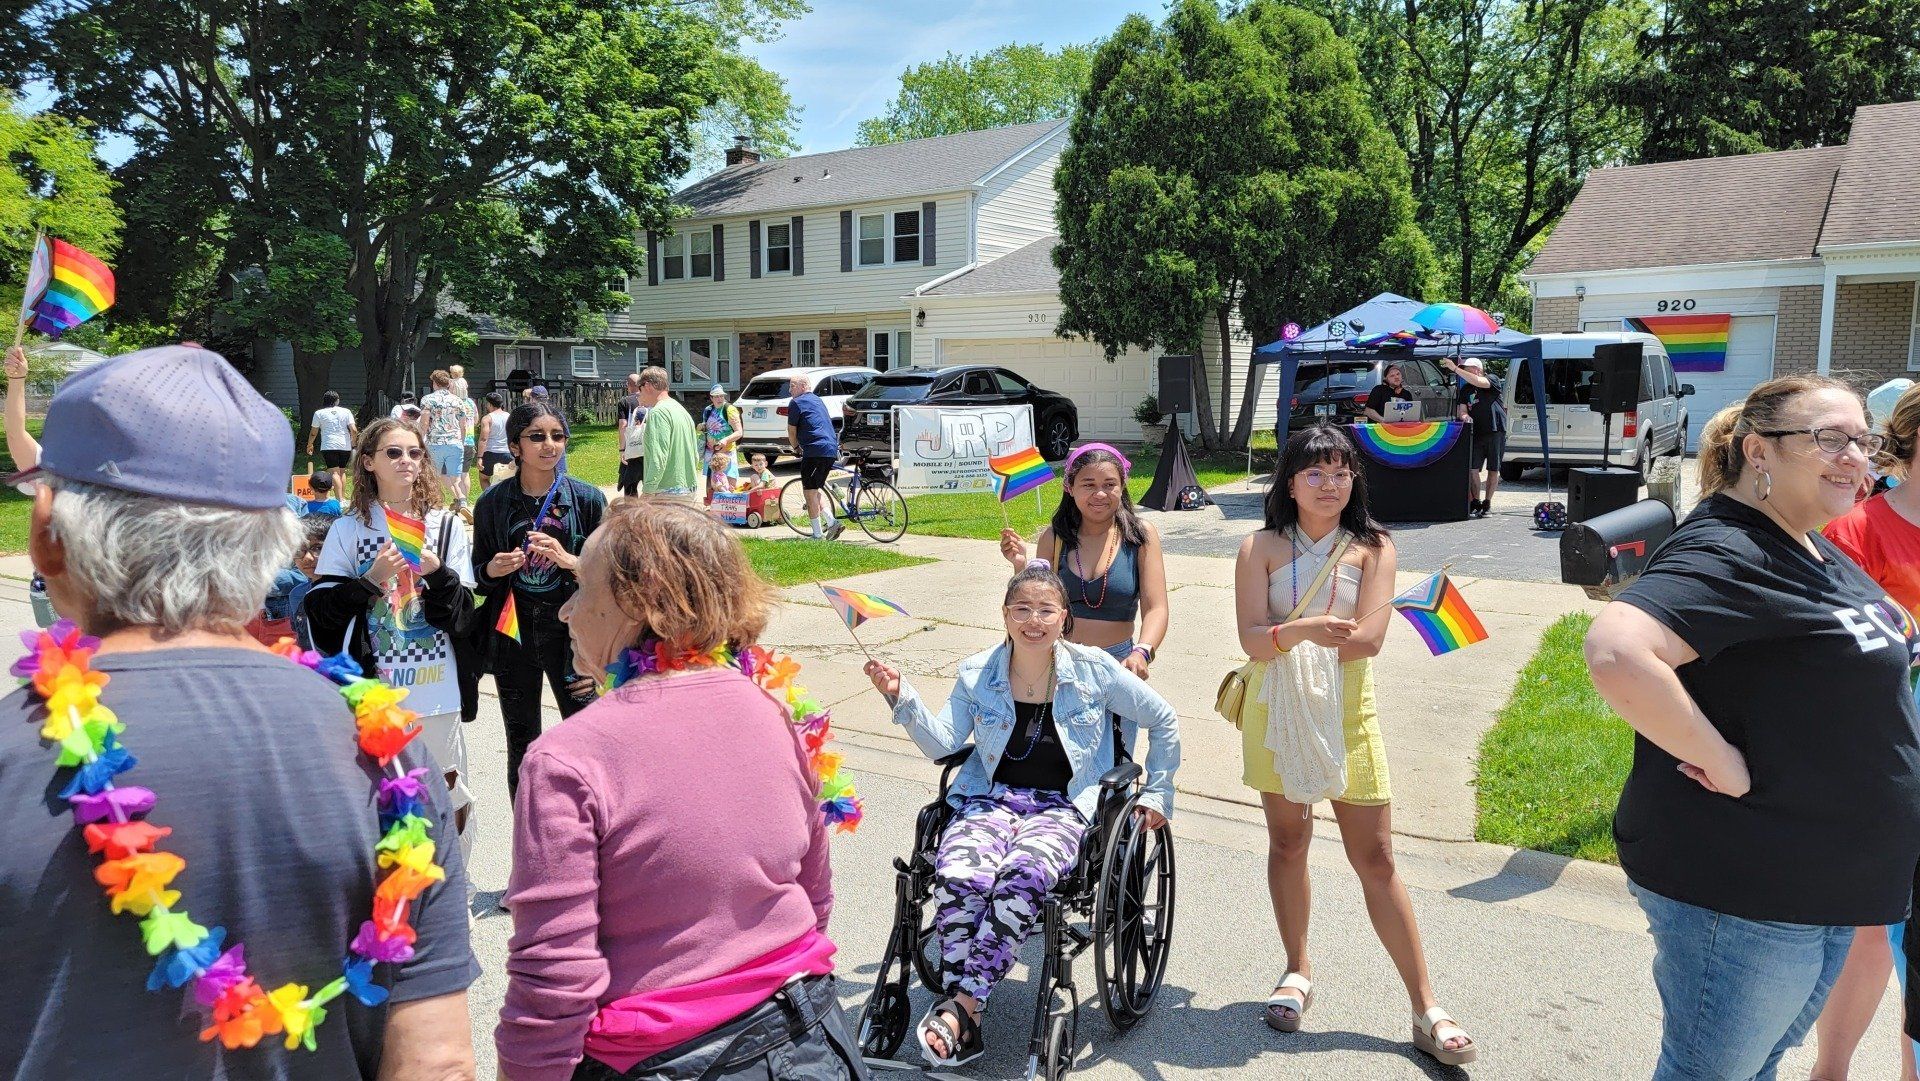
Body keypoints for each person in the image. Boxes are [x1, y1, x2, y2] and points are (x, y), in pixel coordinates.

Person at [0, 344, 477, 1078]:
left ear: (46, 537)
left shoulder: (9, 754)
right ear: (271, 548)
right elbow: (436, 1063)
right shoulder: (389, 759)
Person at [1585, 374, 1920, 1081]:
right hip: (1745, 893)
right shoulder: (1730, 549)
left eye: (1863, 440)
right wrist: (1722, 760)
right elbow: (1617, 651)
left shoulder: (1806, 542)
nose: (1854, 458)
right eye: (1830, 439)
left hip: (1821, 882)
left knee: (1756, 1066)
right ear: (1758, 451)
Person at [496, 500, 868, 1081]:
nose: (566, 610)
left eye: (581, 585)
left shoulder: (567, 757)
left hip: (662, 1058)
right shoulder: (774, 709)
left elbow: (555, 979)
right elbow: (814, 896)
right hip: (809, 1038)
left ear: (642, 602)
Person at [862, 564, 1180, 1066]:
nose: (1034, 620)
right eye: (1021, 610)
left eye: (1046, 610)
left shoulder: (1096, 669)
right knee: (959, 874)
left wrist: (1157, 794)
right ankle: (969, 1015)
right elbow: (944, 743)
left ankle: (961, 1006)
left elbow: (1162, 718)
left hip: (1064, 807)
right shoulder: (977, 673)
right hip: (990, 800)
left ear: (1063, 617)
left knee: (1023, 876)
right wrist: (902, 697)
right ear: (1005, 616)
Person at [1231, 423, 1476, 1066]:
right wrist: (1307, 626)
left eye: (1341, 471)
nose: (1329, 482)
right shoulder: (1257, 546)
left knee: (1376, 859)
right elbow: (1250, 641)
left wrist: (1286, 634)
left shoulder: (1372, 547)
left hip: (1347, 712)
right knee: (1288, 842)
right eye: (1314, 471)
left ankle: (1426, 1006)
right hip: (1275, 711)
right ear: (1289, 482)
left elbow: (1367, 642)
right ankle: (1297, 970)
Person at [1809, 379, 1920, 1081]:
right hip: (1884, 758)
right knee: (1876, 927)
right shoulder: (1857, 531)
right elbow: (1832, 659)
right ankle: (1833, 1069)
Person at [307, 417, 479, 858]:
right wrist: (370, 580)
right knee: (383, 797)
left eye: (415, 453)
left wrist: (438, 574)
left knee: (448, 791)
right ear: (368, 462)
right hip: (376, 692)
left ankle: (452, 887)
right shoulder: (349, 530)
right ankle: (399, 890)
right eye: (393, 452)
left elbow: (461, 616)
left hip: (437, 686)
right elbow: (322, 611)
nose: (407, 461)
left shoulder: (445, 526)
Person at [472, 401, 606, 800]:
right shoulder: (492, 504)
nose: (550, 445)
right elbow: (479, 577)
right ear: (515, 446)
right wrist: (493, 570)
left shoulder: (586, 499)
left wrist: (569, 560)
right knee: (523, 745)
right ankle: (530, 839)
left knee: (588, 740)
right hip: (513, 634)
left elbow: (610, 577)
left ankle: (596, 832)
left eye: (557, 436)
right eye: (537, 437)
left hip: (572, 638)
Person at [999, 444, 1168, 678]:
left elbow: (1156, 607)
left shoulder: (1140, 536)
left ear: (1122, 486)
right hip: (1059, 661)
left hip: (1119, 664)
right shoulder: (1054, 538)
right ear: (1070, 487)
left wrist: (1142, 652)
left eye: (1109, 485)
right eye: (1088, 484)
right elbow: (1034, 604)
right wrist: (1020, 566)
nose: (1099, 494)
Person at [1447, 355, 1505, 518]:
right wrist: (1465, 417)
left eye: (1468, 369)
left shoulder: (1491, 379)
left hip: (1496, 430)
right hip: (1476, 432)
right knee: (1473, 469)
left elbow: (1481, 383)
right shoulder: (1465, 390)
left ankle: (1487, 503)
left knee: (1493, 469)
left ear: (1478, 369)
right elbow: (1462, 410)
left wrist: (1455, 368)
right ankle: (1476, 502)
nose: (1464, 372)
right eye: (1464, 369)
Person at [787, 375, 841, 539]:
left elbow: (791, 430)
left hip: (814, 450)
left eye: (792, 386)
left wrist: (796, 447)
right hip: (830, 449)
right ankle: (832, 522)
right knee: (815, 489)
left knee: (809, 493)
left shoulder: (796, 403)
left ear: (803, 386)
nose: (790, 390)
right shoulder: (818, 400)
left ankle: (818, 535)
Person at [635, 366, 698, 498]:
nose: (639, 394)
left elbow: (658, 456)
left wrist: (648, 491)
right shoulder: (681, 410)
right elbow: (695, 455)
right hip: (688, 489)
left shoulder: (658, 412)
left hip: (666, 493)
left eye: (639, 389)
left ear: (647, 385)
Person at [421, 369, 469, 508]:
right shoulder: (458, 400)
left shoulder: (428, 399)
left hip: (435, 442)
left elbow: (424, 423)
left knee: (433, 476)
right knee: (456, 477)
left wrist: (420, 440)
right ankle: (462, 500)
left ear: (434, 383)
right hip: (454, 442)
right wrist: (462, 440)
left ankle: (435, 503)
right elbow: (463, 424)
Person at [306, 389, 358, 492]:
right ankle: (343, 499)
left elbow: (313, 432)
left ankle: (339, 499)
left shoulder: (319, 413)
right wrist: (353, 442)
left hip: (328, 445)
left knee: (334, 472)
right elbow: (354, 430)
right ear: (337, 400)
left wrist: (310, 445)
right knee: (342, 472)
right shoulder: (346, 411)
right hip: (345, 445)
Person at [701, 384, 743, 502]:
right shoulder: (708, 410)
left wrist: (725, 440)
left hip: (726, 453)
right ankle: (711, 509)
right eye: (716, 396)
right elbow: (707, 428)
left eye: (721, 396)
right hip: (712, 453)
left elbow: (739, 432)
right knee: (712, 483)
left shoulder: (730, 409)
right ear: (711, 398)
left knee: (728, 485)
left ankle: (730, 510)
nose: (719, 399)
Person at [616, 373, 646, 499]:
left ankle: (632, 512)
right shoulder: (648, 400)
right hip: (646, 446)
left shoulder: (625, 401)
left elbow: (623, 425)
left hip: (632, 447)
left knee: (629, 484)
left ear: (628, 385)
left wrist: (622, 449)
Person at [478, 391, 514, 487]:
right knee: (508, 480)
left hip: (491, 452)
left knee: (484, 478)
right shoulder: (509, 416)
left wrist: (479, 457)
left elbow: (483, 439)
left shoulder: (487, 418)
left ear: (489, 404)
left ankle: (489, 499)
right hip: (507, 452)